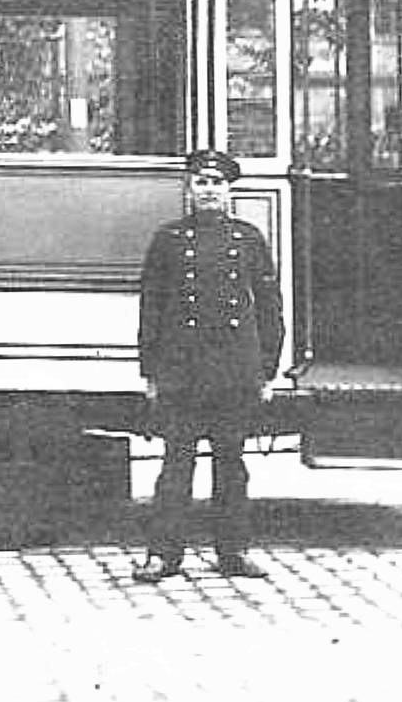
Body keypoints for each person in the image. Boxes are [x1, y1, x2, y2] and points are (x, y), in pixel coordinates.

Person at [132, 149, 284, 583]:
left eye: (217, 183)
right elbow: (152, 310)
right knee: (176, 466)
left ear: (229, 190)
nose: (210, 190)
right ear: (189, 189)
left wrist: (268, 371)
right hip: (182, 371)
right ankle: (164, 556)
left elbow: (270, 308)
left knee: (231, 466)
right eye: (201, 183)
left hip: (235, 370)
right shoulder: (168, 240)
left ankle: (233, 553)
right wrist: (150, 373)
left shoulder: (248, 239)